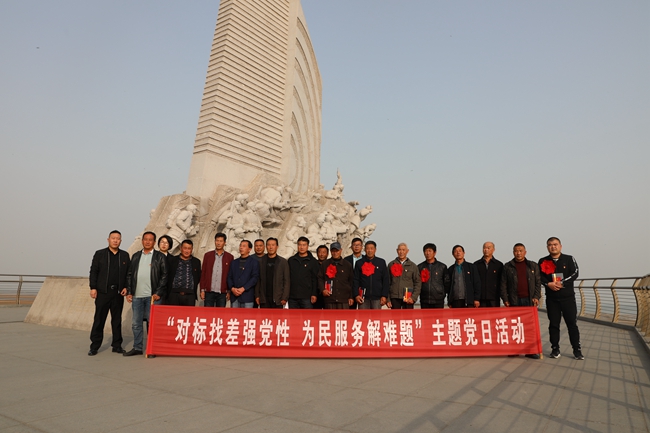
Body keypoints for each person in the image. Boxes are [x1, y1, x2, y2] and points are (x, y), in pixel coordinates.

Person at [123, 231, 168, 357]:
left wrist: (158, 292)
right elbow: (130, 274)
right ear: (142, 241)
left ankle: (151, 349)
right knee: (136, 323)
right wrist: (130, 292)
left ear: (154, 242)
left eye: (150, 240)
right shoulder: (136, 256)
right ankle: (137, 347)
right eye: (145, 239)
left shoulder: (160, 257)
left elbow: (165, 276)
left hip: (152, 297)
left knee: (152, 324)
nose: (148, 242)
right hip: (137, 296)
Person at [538, 237, 583, 360]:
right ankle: (555, 349)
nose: (553, 247)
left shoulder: (569, 259)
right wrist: (548, 284)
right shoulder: (543, 261)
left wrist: (562, 283)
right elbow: (539, 276)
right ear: (547, 247)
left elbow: (575, 273)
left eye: (555, 244)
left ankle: (577, 350)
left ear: (560, 246)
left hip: (568, 298)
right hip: (552, 299)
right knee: (554, 324)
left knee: (572, 324)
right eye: (550, 245)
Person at [88, 230, 130, 356]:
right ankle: (94, 346)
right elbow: (93, 271)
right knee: (99, 320)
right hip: (103, 293)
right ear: (108, 240)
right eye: (113, 238)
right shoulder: (100, 254)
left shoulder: (124, 256)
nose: (115, 240)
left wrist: (126, 287)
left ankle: (117, 345)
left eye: (118, 238)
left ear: (121, 241)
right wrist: (93, 287)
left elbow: (128, 274)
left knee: (116, 321)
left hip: (118, 293)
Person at [500, 243, 541, 359]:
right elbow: (503, 284)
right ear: (513, 252)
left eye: (520, 251)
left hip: (529, 300)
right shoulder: (507, 266)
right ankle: (515, 350)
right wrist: (505, 299)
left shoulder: (532, 265)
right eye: (516, 251)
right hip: (514, 300)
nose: (518, 253)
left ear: (525, 252)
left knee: (529, 326)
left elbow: (538, 283)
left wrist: (536, 296)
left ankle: (530, 351)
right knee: (514, 326)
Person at [200, 232, 233, 307]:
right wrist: (202, 290)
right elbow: (203, 273)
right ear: (214, 241)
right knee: (208, 312)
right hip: (209, 291)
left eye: (221, 241)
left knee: (220, 313)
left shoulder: (229, 257)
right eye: (217, 241)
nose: (218, 243)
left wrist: (229, 291)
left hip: (222, 292)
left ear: (225, 242)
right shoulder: (207, 255)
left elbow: (230, 275)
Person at [255, 237, 290, 308]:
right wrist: (257, 295)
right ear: (266, 247)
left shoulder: (283, 262)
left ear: (277, 247)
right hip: (264, 298)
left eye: (273, 245)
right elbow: (258, 280)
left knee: (277, 315)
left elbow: (286, 281)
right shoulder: (261, 261)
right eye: (269, 245)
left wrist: (285, 297)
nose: (271, 247)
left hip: (278, 298)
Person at [353, 241, 389, 309]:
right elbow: (356, 280)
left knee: (376, 316)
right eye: (367, 248)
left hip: (377, 298)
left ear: (375, 250)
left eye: (371, 248)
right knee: (363, 316)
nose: (369, 251)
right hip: (363, 298)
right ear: (364, 250)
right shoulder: (359, 263)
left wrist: (384, 295)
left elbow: (385, 280)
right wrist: (356, 295)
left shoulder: (381, 262)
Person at [318, 242, 354, 309]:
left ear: (341, 250)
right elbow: (320, 278)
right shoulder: (325, 264)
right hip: (329, 299)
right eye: (333, 251)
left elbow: (351, 281)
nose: (335, 253)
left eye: (337, 251)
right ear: (330, 252)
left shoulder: (347, 265)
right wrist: (323, 290)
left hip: (344, 299)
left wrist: (351, 297)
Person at [287, 236, 320, 308]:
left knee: (307, 315)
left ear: (307, 246)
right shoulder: (291, 260)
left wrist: (314, 294)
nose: (302, 247)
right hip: (292, 297)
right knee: (293, 315)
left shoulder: (313, 261)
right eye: (300, 245)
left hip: (307, 297)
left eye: (304, 245)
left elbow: (315, 279)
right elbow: (287, 278)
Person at [167, 240, 201, 306]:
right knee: (173, 312)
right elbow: (168, 276)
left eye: (189, 248)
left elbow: (198, 276)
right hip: (174, 294)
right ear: (181, 248)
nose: (187, 251)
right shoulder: (172, 260)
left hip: (190, 295)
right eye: (185, 248)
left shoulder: (196, 262)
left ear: (192, 250)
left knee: (188, 312)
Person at [387, 243, 421, 309]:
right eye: (399, 250)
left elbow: (418, 283)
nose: (401, 252)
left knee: (408, 315)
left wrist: (413, 297)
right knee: (395, 315)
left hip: (408, 297)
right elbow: (387, 283)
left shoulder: (413, 266)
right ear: (397, 251)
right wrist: (388, 299)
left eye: (403, 250)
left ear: (407, 251)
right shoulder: (391, 265)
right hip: (395, 297)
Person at [227, 240, 260, 308]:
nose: (241, 248)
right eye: (240, 246)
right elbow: (229, 277)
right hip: (234, 296)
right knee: (234, 315)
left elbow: (254, 278)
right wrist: (232, 289)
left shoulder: (254, 262)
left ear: (249, 249)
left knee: (247, 315)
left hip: (247, 296)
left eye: (244, 246)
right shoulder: (234, 262)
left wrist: (243, 288)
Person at [417, 243, 449, 309]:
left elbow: (447, 283)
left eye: (430, 251)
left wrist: (442, 294)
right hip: (424, 300)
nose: (428, 253)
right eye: (426, 251)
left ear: (435, 252)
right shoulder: (420, 267)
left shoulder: (442, 267)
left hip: (438, 300)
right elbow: (417, 283)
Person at [474, 242, 503, 307]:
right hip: (480, 299)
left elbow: (502, 282)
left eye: (488, 248)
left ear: (493, 250)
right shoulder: (476, 264)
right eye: (484, 248)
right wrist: (476, 298)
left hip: (494, 298)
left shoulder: (499, 265)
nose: (486, 250)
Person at [344, 237, 364, 309]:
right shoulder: (346, 260)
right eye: (354, 245)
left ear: (362, 247)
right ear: (351, 247)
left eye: (358, 245)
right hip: (350, 289)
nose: (356, 247)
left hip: (362, 288)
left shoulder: (366, 260)